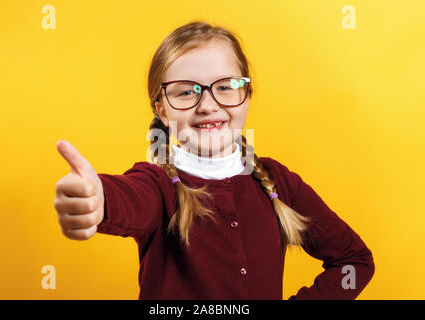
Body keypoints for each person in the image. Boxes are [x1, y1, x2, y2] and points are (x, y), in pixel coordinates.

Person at [53, 21, 375, 299]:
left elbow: (353, 260)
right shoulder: (157, 185)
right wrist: (96, 198)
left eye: (226, 86)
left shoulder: (278, 182)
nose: (208, 105)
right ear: (161, 110)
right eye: (186, 92)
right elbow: (126, 197)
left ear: (246, 96)